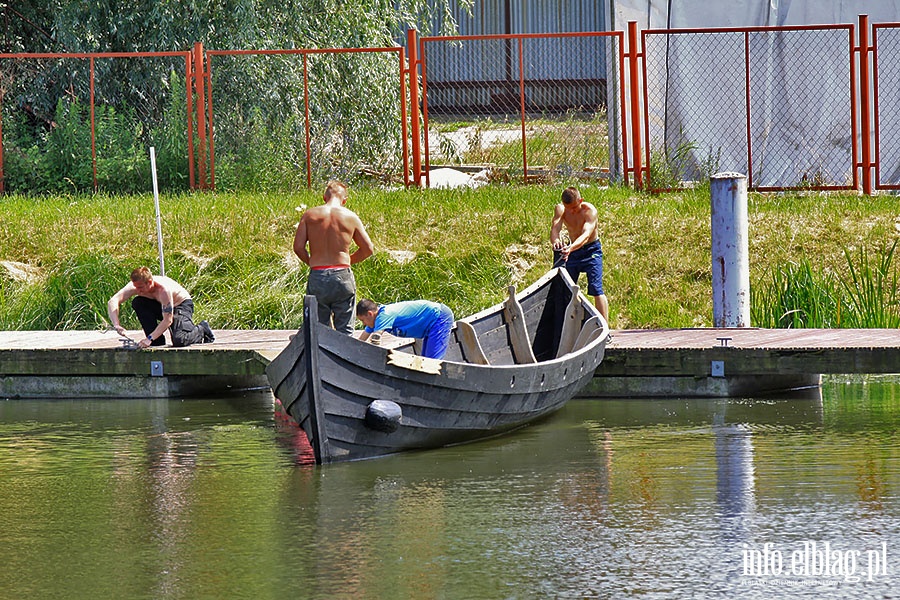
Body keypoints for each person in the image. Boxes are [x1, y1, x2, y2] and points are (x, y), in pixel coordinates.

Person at [293, 180, 374, 334]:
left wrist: (312, 262)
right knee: (345, 330)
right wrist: (349, 260)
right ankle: (345, 357)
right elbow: (368, 249)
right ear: (344, 200)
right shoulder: (351, 217)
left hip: (318, 274)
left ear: (324, 197)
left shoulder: (310, 215)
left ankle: (321, 357)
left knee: (318, 330)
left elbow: (298, 247)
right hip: (342, 275)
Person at [107, 267, 215, 349]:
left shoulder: (163, 291)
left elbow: (168, 320)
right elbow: (113, 301)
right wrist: (117, 324)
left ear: (149, 282)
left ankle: (202, 328)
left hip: (181, 305)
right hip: (161, 306)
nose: (137, 291)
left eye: (140, 287)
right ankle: (157, 341)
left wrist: (149, 339)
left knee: (179, 340)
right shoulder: (135, 285)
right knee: (138, 302)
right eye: (135, 287)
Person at [550, 186, 609, 321]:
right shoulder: (561, 209)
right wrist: (556, 240)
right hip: (572, 252)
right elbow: (555, 229)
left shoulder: (589, 211)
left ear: (580, 200)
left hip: (591, 250)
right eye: (568, 208)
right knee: (566, 289)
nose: (571, 211)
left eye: (574, 208)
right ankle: (569, 325)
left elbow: (586, 235)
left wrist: (570, 248)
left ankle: (604, 327)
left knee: (596, 288)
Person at [356, 299, 455, 360]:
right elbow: (361, 340)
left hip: (439, 317)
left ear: (370, 314)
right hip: (430, 324)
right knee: (426, 361)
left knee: (432, 363)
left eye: (362, 320)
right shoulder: (374, 320)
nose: (364, 324)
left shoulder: (384, 315)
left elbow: (375, 338)